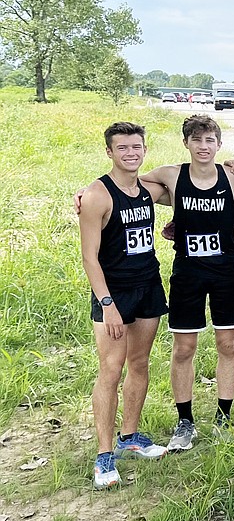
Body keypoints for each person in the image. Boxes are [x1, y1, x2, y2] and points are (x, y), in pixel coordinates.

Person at [139, 116, 234, 450]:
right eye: (197, 140)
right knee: (184, 348)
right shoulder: (171, 175)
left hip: (226, 270)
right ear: (186, 143)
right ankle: (184, 421)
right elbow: (125, 183)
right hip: (187, 272)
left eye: (210, 140)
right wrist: (89, 191)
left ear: (219, 144)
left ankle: (223, 418)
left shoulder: (231, 175)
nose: (204, 146)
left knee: (227, 345)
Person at [77, 122, 169, 489]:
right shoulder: (98, 195)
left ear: (144, 149)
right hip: (114, 293)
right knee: (111, 370)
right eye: (123, 148)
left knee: (140, 363)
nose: (131, 153)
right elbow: (89, 258)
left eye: (137, 147)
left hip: (148, 284)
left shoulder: (146, 188)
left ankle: (129, 437)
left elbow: (191, 185)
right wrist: (107, 303)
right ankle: (104, 456)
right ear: (109, 152)